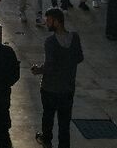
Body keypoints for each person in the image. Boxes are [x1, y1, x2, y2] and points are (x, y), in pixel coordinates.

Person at [32, 8, 84, 148]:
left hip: (50, 88)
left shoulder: (50, 42)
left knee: (48, 116)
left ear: (57, 21)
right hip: (68, 87)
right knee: (64, 122)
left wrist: (38, 70)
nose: (47, 23)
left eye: (49, 21)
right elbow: (79, 57)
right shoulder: (75, 37)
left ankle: (46, 139)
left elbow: (49, 66)